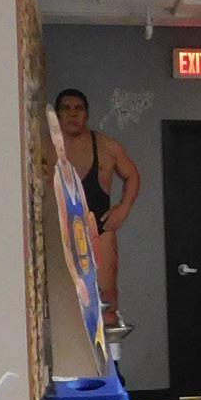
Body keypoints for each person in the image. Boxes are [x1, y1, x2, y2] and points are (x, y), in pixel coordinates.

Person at [54, 88, 141, 321]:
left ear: (87, 115)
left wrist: (123, 209)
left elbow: (132, 175)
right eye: (66, 109)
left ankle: (109, 342)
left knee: (106, 299)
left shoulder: (106, 147)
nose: (73, 114)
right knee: (62, 302)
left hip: (99, 233)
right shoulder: (44, 146)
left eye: (78, 108)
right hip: (58, 236)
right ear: (58, 115)